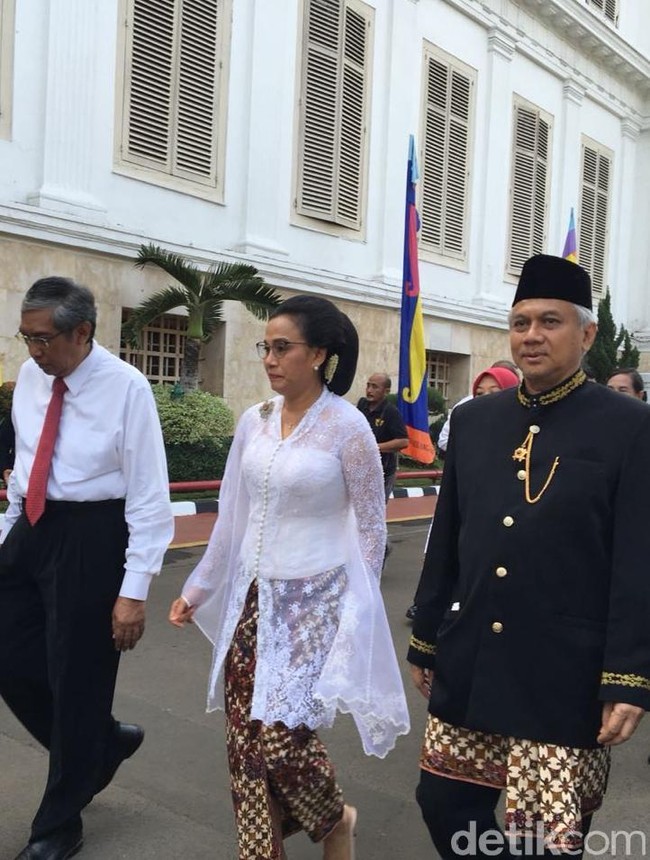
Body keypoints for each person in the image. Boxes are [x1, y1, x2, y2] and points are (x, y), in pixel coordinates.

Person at [408, 254, 650, 859]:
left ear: (587, 334)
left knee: (545, 839)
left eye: (550, 321)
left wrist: (629, 676)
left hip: (564, 672)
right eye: (521, 323)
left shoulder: (630, 425)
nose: (532, 336)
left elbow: (636, 558)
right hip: (473, 658)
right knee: (442, 802)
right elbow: (449, 534)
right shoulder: (478, 421)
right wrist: (427, 635)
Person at [169, 295, 409, 860]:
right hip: (252, 599)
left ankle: (334, 820)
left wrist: (359, 614)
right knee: (244, 743)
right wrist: (199, 586)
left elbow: (372, 531)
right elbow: (234, 514)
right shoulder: (255, 420)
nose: (270, 359)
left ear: (319, 354)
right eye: (266, 347)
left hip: (316, 600)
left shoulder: (348, 428)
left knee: (282, 737)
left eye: (283, 348)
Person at [0, 277, 174, 860]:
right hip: (33, 528)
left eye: (43, 339)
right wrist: (10, 533)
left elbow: (150, 497)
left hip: (94, 537)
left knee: (78, 681)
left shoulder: (127, 389)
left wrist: (134, 591)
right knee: (10, 653)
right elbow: (27, 464)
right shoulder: (32, 377)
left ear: (83, 332)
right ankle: (98, 745)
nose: (33, 351)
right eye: (26, 338)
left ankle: (58, 825)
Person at [405, 364, 519, 621]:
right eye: (480, 392)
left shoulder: (530, 441)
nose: (488, 398)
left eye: (496, 390)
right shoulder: (467, 427)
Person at [437, 360, 519, 454]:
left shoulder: (529, 428)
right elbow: (444, 441)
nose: (485, 398)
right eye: (480, 393)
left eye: (495, 392)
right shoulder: (463, 410)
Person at [356, 373, 408, 502]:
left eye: (375, 387)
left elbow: (403, 441)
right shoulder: (362, 405)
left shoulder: (391, 412)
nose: (369, 390)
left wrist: (374, 447)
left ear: (386, 391)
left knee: (374, 512)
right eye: (368, 385)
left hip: (382, 472)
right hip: (361, 468)